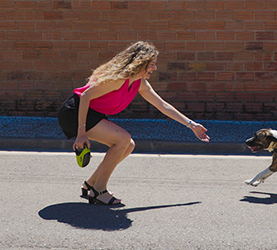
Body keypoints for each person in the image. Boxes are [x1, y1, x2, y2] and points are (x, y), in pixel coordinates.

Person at [57, 41, 210, 206]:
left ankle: (91, 183)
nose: (154, 68)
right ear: (140, 63)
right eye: (151, 64)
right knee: (122, 139)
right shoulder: (118, 80)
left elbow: (162, 105)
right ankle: (98, 191)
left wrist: (191, 125)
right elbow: (85, 96)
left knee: (128, 145)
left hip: (91, 113)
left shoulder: (140, 82)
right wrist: (81, 134)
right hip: (74, 112)